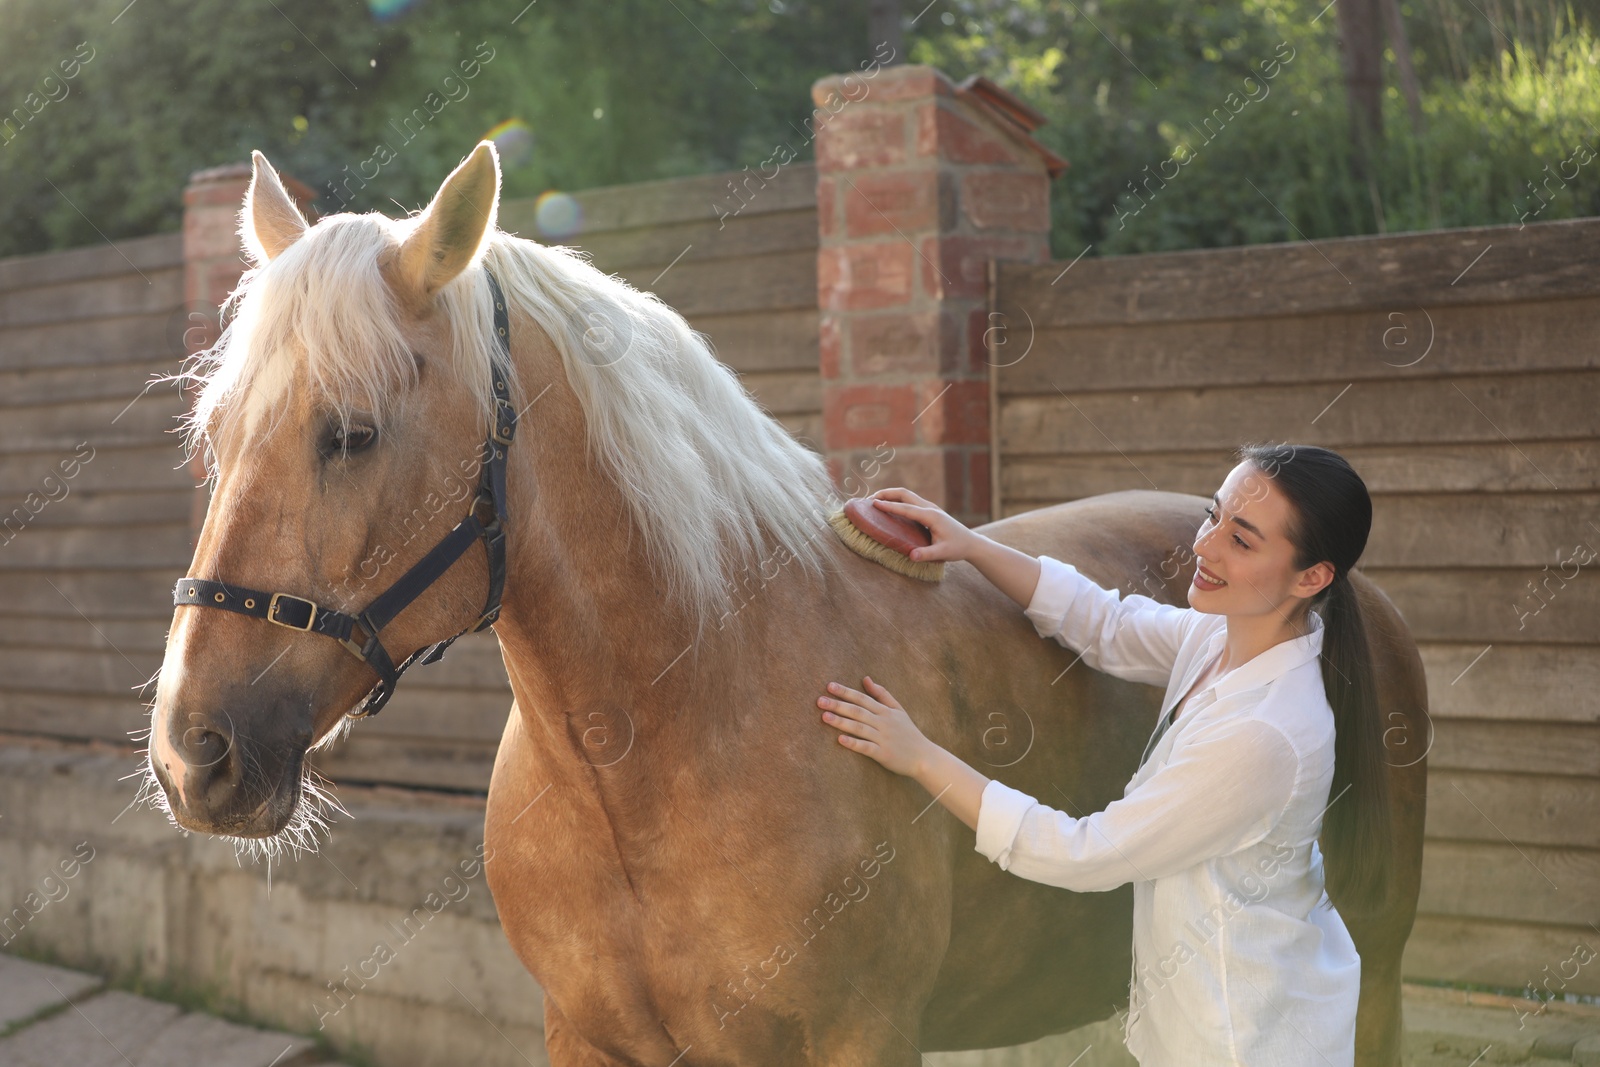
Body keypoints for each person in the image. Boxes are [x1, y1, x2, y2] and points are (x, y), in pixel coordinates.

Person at [816, 442, 1391, 1066]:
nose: (1204, 546)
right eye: (1213, 515)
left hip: (1241, 1035)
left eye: (1242, 540)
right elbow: (1105, 624)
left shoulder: (1262, 735)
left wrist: (922, 757)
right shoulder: (1224, 639)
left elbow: (1087, 853)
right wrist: (973, 546)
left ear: (1312, 577)